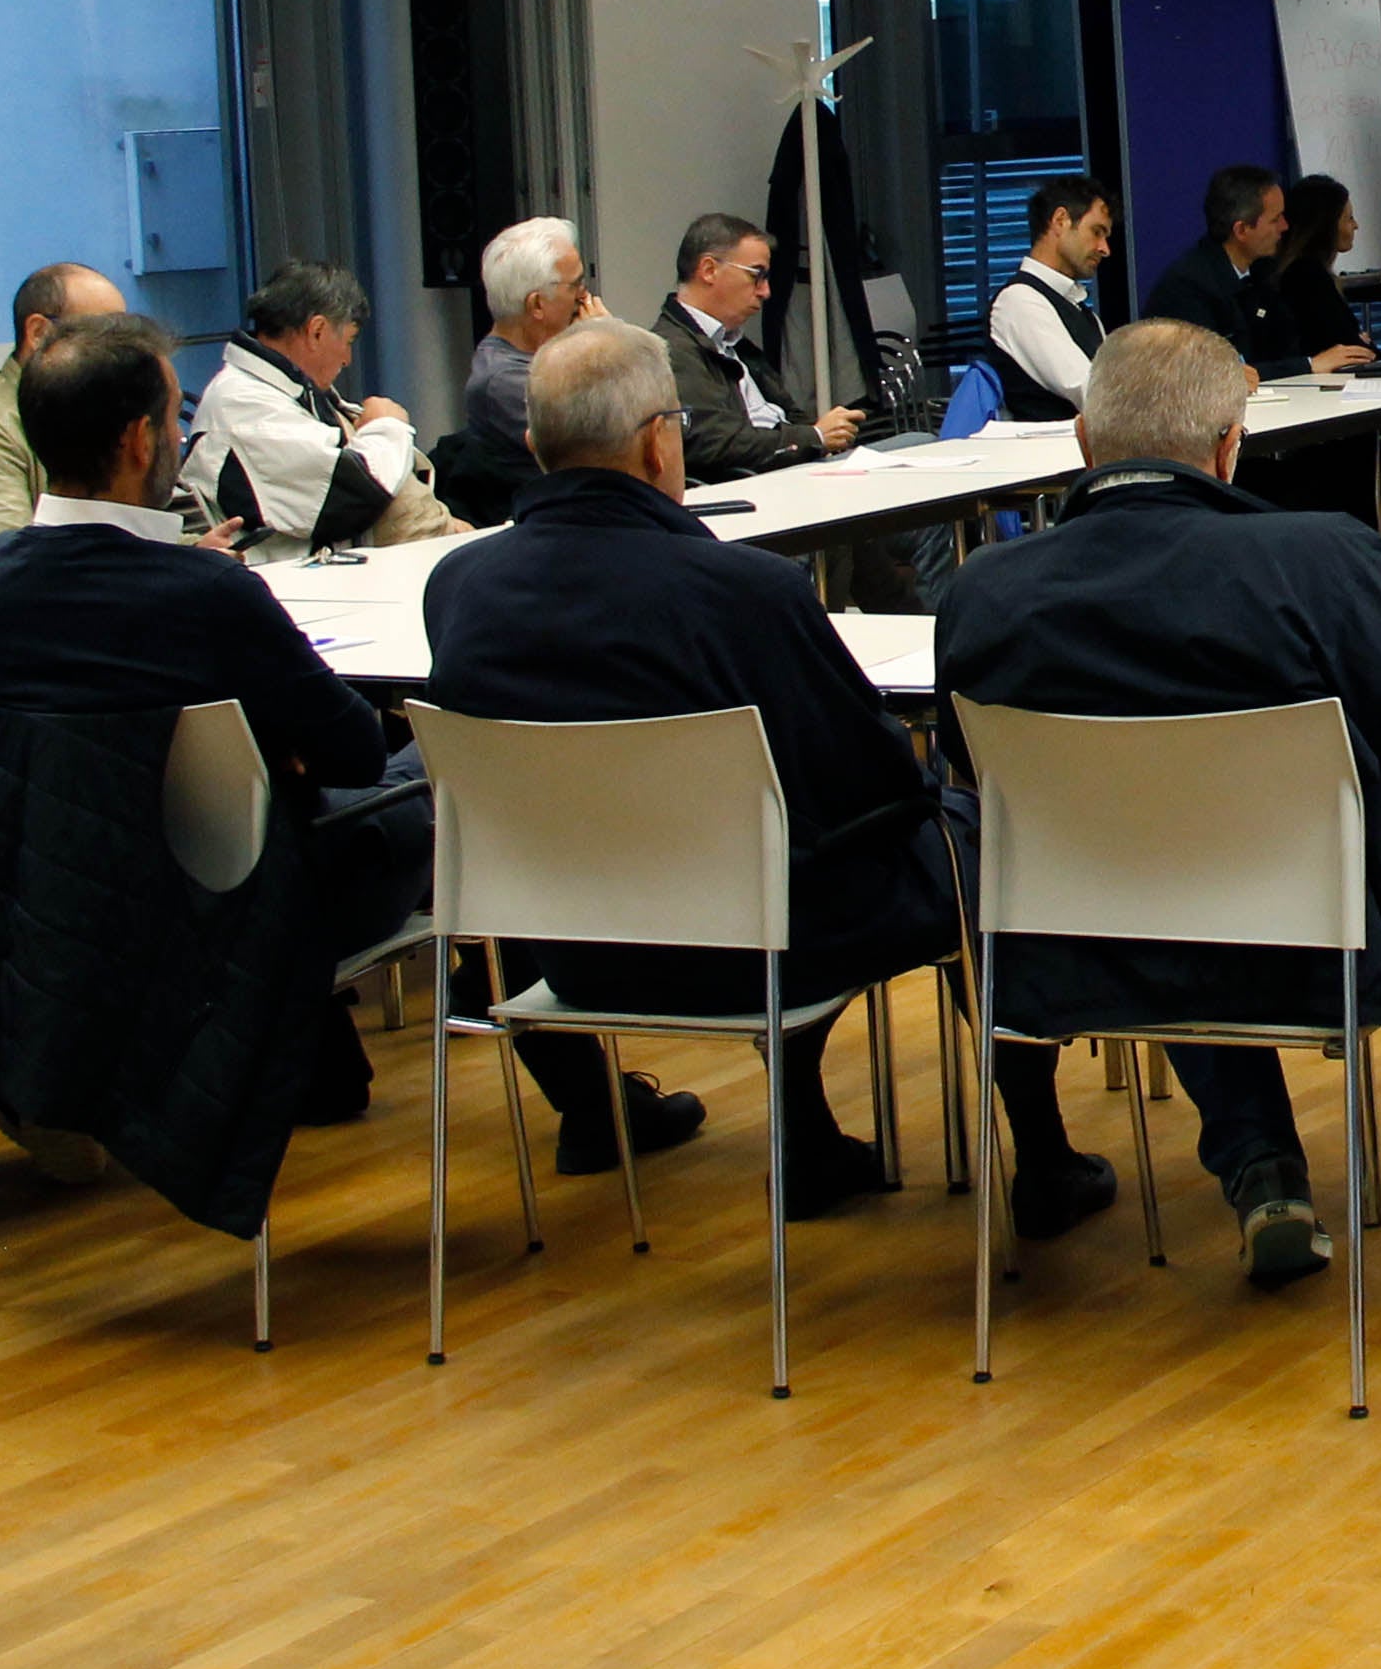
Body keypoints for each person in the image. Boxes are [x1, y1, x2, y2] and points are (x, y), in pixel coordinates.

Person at [932, 321, 1381, 1274]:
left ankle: (1264, 1170)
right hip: (1338, 939)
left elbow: (977, 778)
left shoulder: (984, 592)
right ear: (1232, 444)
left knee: (1168, 857)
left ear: (1085, 444)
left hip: (1102, 942)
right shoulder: (1317, 559)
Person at [424, 321, 1110, 1215]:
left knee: (770, 847)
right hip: (753, 945)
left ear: (532, 446)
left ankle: (715, 1126)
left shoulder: (459, 586)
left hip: (574, 951)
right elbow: (867, 779)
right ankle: (1042, 1159)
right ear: (658, 441)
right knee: (967, 838)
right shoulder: (744, 593)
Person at [0, 309, 431, 1132]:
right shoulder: (205, 593)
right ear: (142, 442)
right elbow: (356, 750)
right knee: (432, 761)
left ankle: (307, 1063)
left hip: (60, 899)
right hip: (233, 899)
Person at [187, 261, 460, 558]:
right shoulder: (243, 404)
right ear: (316, 331)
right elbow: (352, 493)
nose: (348, 359)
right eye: (349, 341)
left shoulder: (279, 389)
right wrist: (388, 425)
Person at [658, 212, 862, 479]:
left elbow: (788, 414)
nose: (765, 291)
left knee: (913, 444)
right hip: (764, 486)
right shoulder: (671, 350)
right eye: (757, 275)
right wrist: (814, 436)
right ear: (709, 270)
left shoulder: (734, 343)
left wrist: (823, 435)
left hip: (795, 467)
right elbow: (717, 442)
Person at [0, 261, 123, 541]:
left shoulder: (92, 405)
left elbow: (127, 526)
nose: (124, 350)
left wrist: (190, 548)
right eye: (103, 333)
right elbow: (10, 553)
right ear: (39, 333)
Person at [1145, 165, 1377, 384]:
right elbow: (1218, 375)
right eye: (1276, 219)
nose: (1285, 227)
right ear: (1242, 230)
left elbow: (1283, 347)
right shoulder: (1189, 288)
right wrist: (1308, 365)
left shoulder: (1260, 276)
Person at [460, 218, 600, 461]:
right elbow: (611, 445)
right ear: (537, 304)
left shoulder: (542, 359)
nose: (585, 295)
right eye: (575, 285)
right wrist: (603, 346)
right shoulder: (504, 382)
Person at [983, 175, 1114, 418]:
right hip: (1048, 454)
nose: (1105, 249)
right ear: (1060, 220)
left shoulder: (1084, 313)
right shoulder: (1019, 301)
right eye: (1097, 232)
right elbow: (1092, 394)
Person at [1260, 172, 1377, 374]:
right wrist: (1359, 340)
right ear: (1327, 225)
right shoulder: (1307, 276)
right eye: (1349, 218)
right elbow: (1350, 347)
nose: (1355, 225)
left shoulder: (1297, 271)